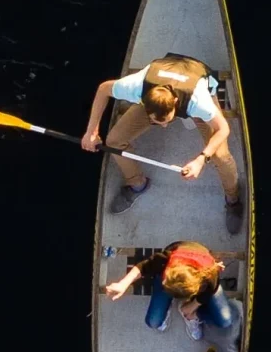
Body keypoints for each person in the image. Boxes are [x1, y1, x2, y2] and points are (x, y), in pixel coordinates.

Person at [80, 54, 242, 230]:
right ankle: (137, 184)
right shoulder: (135, 87)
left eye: (167, 120)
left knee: (220, 155)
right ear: (142, 102)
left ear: (175, 103)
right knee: (113, 141)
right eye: (158, 122)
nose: (164, 126)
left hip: (195, 80)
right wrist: (92, 132)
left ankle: (232, 198)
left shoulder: (198, 101)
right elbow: (103, 89)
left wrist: (201, 159)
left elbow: (223, 128)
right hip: (159, 90)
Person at [101, 241, 240, 352]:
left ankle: (189, 313)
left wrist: (192, 307)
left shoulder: (210, 272)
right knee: (153, 322)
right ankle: (182, 309)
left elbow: (210, 291)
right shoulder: (165, 261)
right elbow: (142, 266)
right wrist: (123, 283)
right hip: (175, 269)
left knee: (226, 321)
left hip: (199, 275)